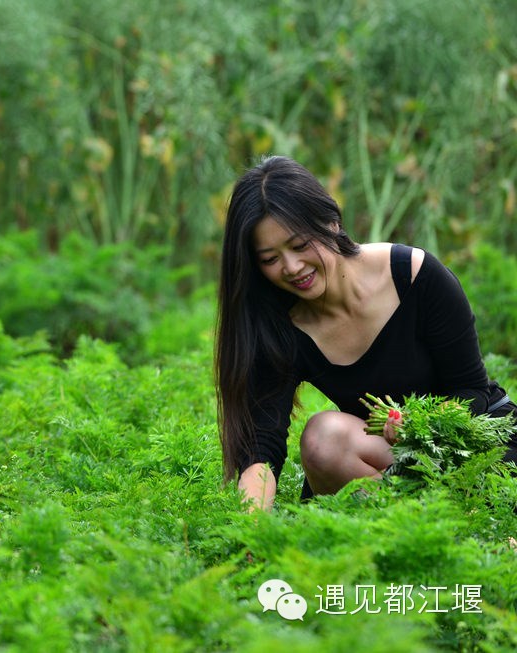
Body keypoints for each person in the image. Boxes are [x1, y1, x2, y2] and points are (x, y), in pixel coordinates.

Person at [215, 155, 517, 511]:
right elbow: (260, 449)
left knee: (328, 444)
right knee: (323, 440)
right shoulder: (282, 324)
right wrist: (246, 533)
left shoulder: (413, 276)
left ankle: (463, 527)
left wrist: (419, 423)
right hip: (390, 462)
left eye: (299, 246)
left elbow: (472, 391)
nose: (292, 267)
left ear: (331, 222)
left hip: (478, 450)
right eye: (270, 259)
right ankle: (426, 531)